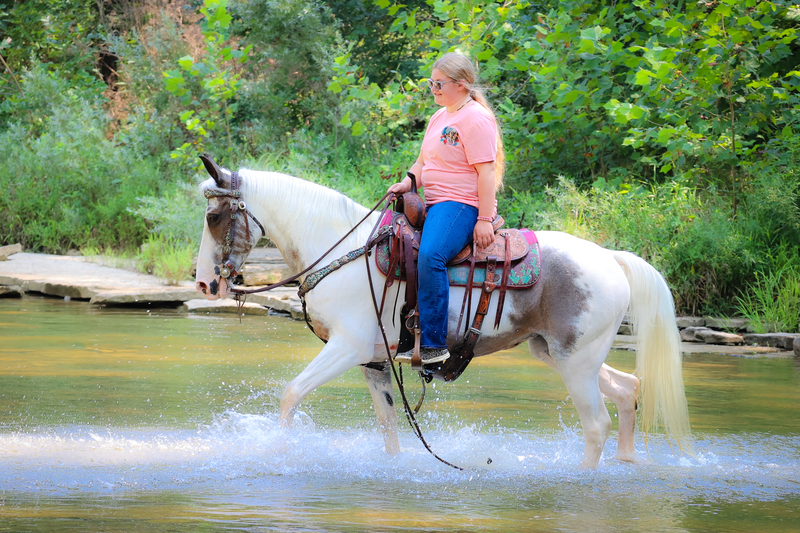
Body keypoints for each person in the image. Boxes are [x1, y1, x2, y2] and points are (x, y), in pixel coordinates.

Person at [388, 52, 504, 365]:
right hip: (433, 202)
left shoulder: (476, 118)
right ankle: (398, 331)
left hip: (460, 204)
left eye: (439, 83)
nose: (433, 89)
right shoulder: (440, 117)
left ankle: (433, 343)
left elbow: (486, 173)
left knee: (430, 255)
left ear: (463, 85)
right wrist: (407, 182)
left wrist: (484, 218)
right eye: (431, 83)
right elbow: (424, 162)